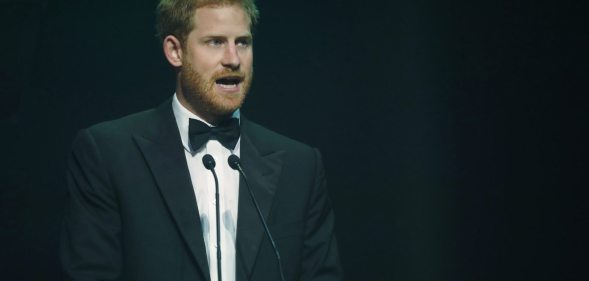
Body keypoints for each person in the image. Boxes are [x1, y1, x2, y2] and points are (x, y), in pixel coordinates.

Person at [60, 1, 343, 280]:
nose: (233, 59)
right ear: (175, 50)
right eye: (215, 42)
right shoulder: (110, 152)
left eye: (243, 42)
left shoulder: (300, 165)